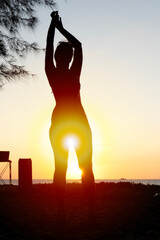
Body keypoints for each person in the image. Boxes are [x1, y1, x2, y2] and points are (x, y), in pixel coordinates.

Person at [45, 11, 95, 214]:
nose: (65, 57)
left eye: (68, 55)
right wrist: (53, 26)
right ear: (57, 58)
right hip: (60, 125)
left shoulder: (74, 71)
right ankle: (60, 211)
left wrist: (60, 29)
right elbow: (48, 46)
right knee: (61, 169)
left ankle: (90, 210)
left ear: (70, 58)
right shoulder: (52, 72)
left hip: (80, 124)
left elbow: (79, 46)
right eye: (62, 55)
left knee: (86, 168)